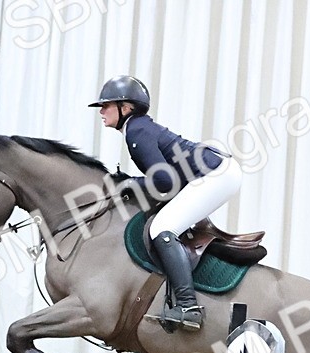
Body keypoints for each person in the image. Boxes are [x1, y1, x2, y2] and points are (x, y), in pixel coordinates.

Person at [89, 75, 241, 331]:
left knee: (162, 230)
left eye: (106, 105)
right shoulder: (139, 127)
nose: (101, 111)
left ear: (126, 108)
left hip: (217, 175)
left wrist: (128, 184)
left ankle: (188, 307)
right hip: (215, 172)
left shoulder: (136, 130)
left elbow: (162, 180)